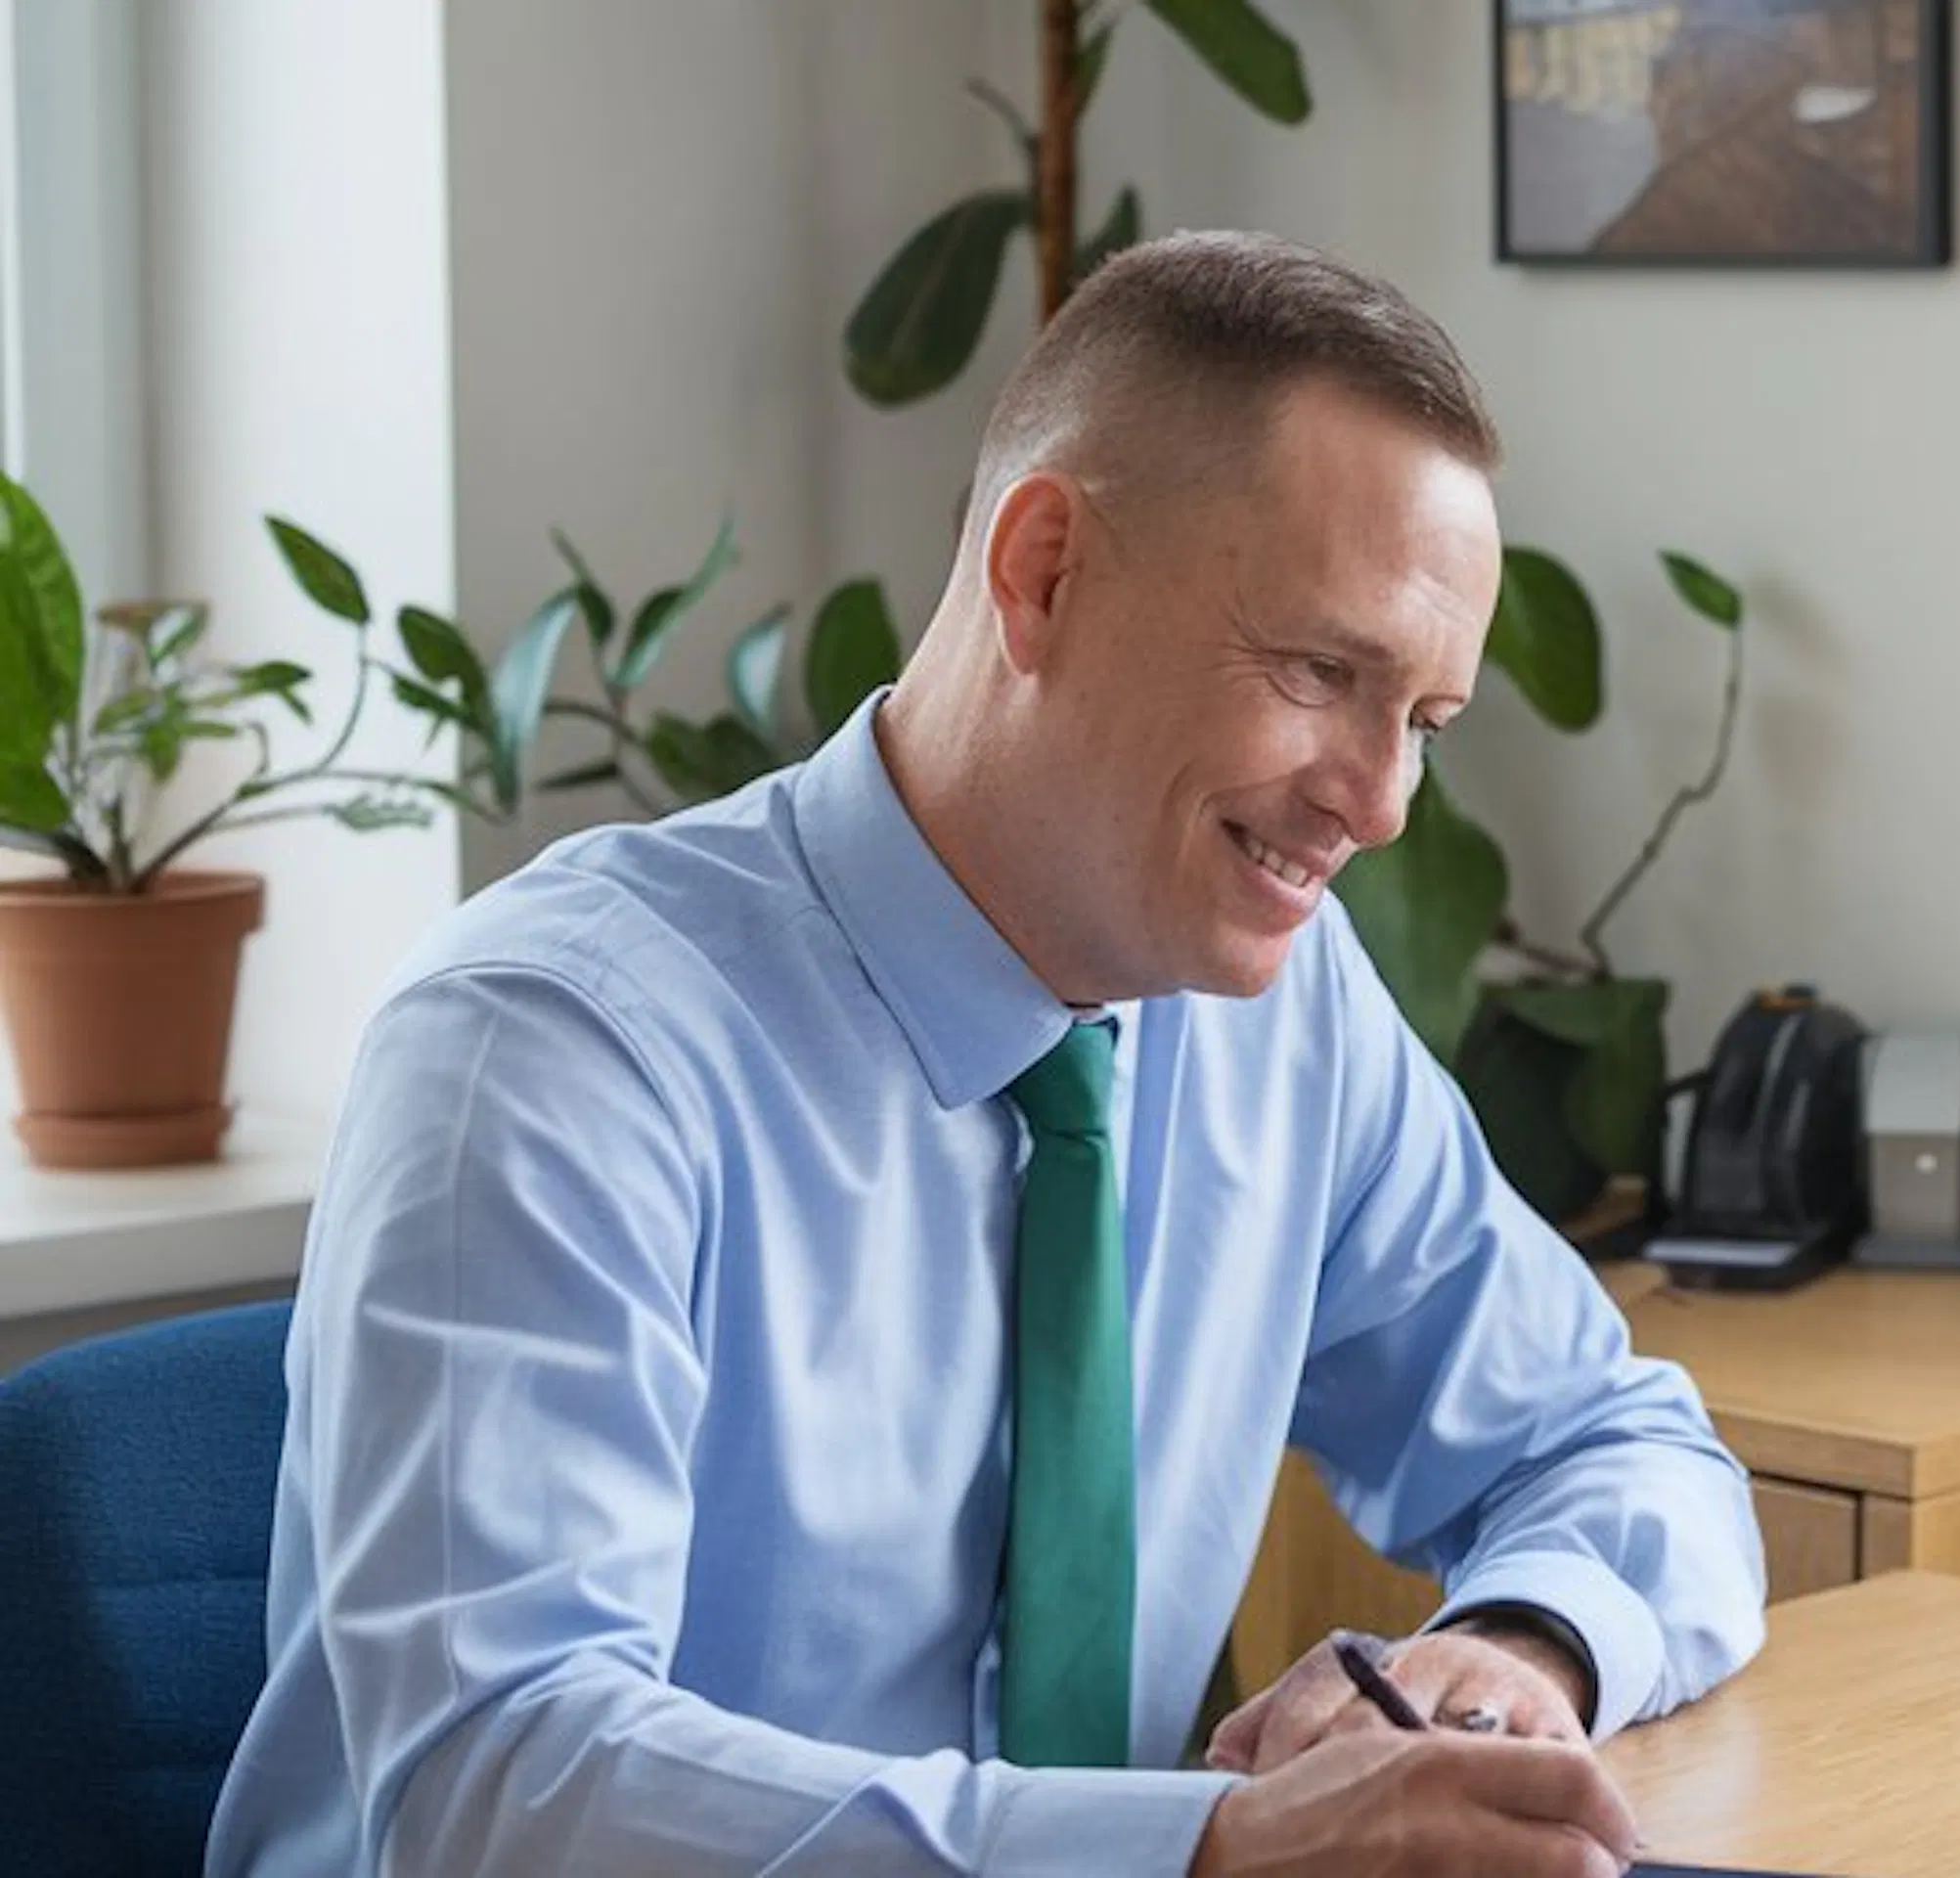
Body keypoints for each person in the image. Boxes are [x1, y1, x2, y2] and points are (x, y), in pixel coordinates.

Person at [207, 230, 1765, 1878]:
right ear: (1042, 573)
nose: (1380, 804)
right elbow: (500, 1788)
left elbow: (1621, 1446)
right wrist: (1216, 1851)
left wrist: (1524, 1650)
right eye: (1323, 671)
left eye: (1425, 724)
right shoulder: (551, 1052)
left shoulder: (1281, 1023)